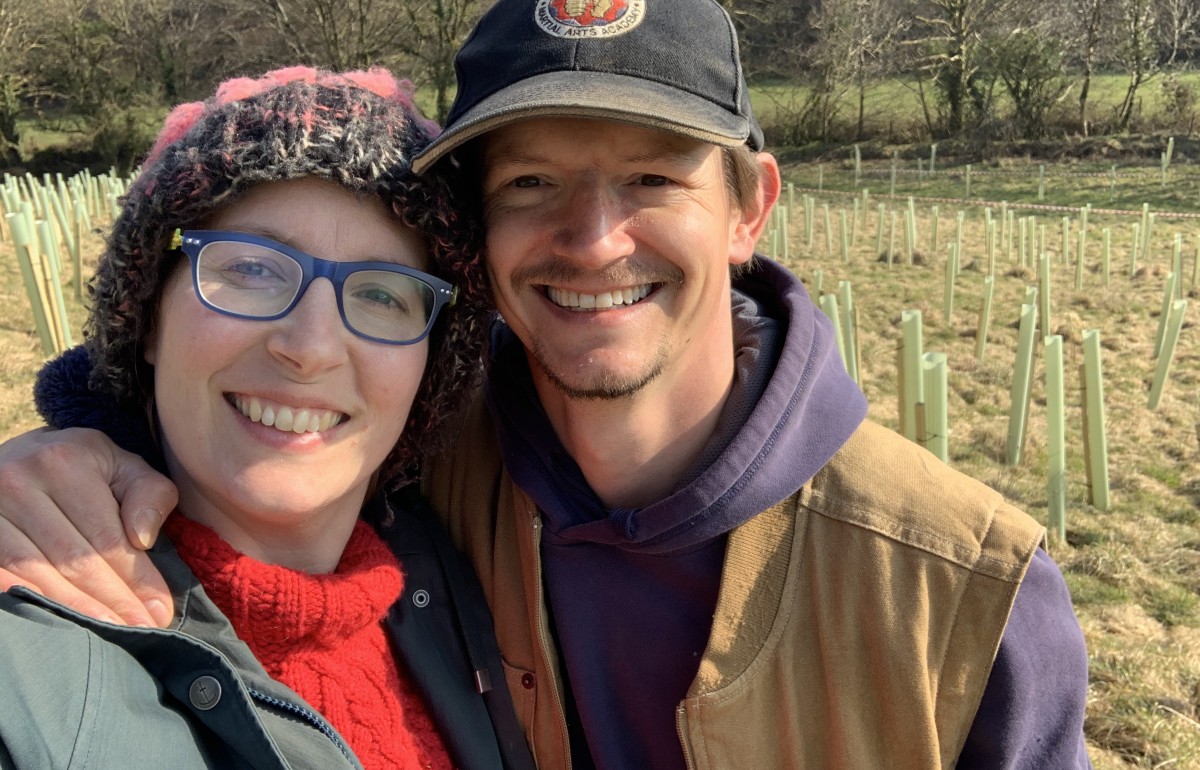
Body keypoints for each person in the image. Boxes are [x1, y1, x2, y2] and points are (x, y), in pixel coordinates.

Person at [0, 0, 1092, 767]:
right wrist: (73, 446)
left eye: (654, 177)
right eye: (532, 182)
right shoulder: (428, 475)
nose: (594, 237)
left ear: (750, 205)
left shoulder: (964, 588)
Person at [0, 66, 534, 770]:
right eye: (251, 267)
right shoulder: (27, 668)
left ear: (429, 369)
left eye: (382, 294)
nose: (309, 349)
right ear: (149, 319)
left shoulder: (463, 576)